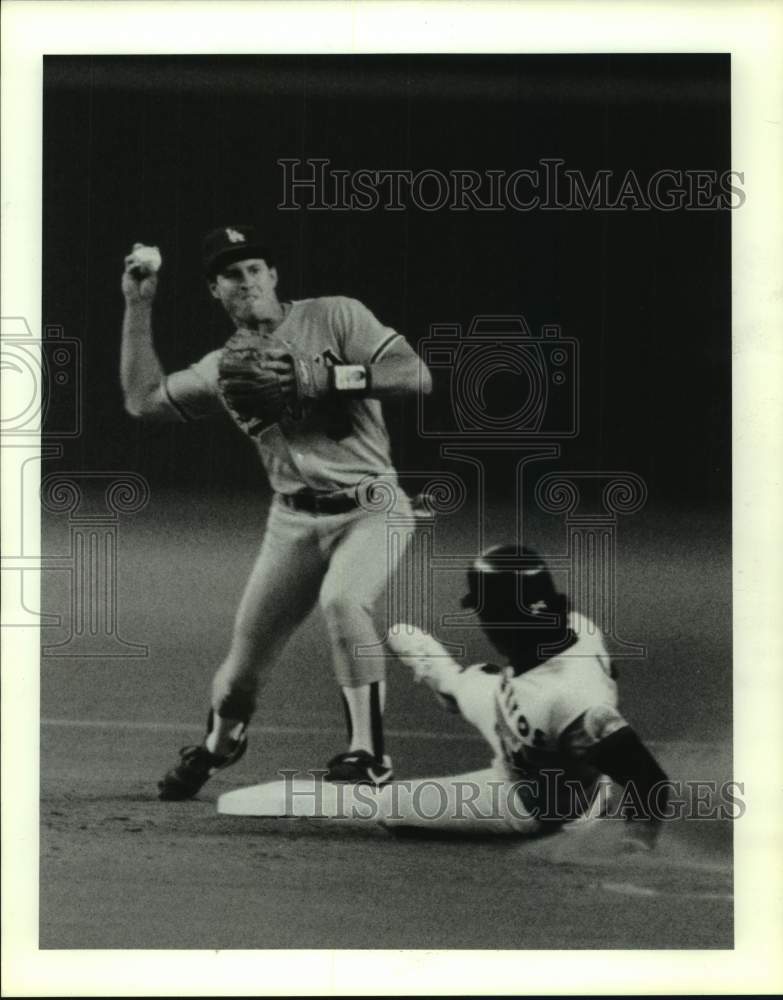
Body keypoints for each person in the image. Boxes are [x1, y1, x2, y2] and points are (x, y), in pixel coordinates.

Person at [119, 224, 432, 799]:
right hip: (291, 522)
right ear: (215, 290)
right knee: (240, 674)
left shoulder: (337, 316)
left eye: (256, 269)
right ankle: (218, 747)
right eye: (232, 275)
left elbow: (416, 375)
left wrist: (327, 376)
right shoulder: (221, 368)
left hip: (373, 506)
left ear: (274, 275)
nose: (248, 281)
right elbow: (142, 401)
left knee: (344, 601)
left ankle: (370, 754)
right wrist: (138, 305)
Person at [379, 544, 670, 848]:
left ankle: (450, 684)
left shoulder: (570, 700)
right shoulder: (577, 628)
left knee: (391, 805)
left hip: (536, 804)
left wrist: (635, 850)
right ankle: (447, 682)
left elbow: (648, 779)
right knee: (478, 685)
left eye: (483, 612)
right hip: (530, 733)